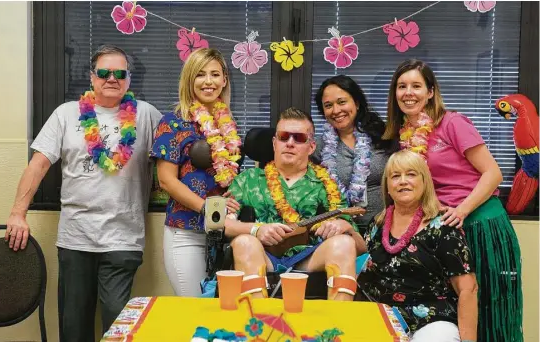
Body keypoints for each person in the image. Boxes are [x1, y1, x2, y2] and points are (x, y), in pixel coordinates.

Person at [5, 45, 162, 341]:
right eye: (104, 72)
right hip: (76, 238)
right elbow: (38, 165)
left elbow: (173, 154)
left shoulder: (146, 115)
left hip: (123, 239)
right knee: (73, 328)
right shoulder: (66, 114)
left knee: (118, 329)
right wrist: (17, 214)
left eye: (120, 73)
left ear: (129, 79)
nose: (112, 78)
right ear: (92, 78)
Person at [383, 58, 523, 342]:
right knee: (458, 309)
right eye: (402, 86)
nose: (408, 92)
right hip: (447, 230)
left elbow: (493, 173)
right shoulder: (405, 135)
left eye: (416, 86)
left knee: (489, 309)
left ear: (431, 92)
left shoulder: (452, 123)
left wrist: (461, 210)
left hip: (480, 224)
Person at [224, 107, 367, 301]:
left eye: (299, 138)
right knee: (244, 242)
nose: (290, 143)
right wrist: (256, 230)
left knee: (343, 243)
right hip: (263, 257)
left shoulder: (327, 184)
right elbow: (221, 225)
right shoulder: (247, 180)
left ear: (311, 146)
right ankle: (258, 324)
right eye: (284, 137)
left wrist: (346, 227)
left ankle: (338, 324)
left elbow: (359, 247)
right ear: (275, 143)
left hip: (308, 259)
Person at [357, 150, 478, 342]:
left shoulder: (444, 227)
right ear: (388, 186)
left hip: (433, 321)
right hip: (380, 318)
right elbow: (362, 273)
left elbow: (467, 289)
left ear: (424, 182)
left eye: (411, 174)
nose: (403, 181)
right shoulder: (376, 225)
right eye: (395, 176)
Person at [150, 48, 241, 297]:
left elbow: (229, 178)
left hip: (224, 235)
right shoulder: (173, 122)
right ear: (190, 79)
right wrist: (208, 208)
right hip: (186, 233)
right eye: (200, 75)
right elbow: (167, 181)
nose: (208, 82)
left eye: (215, 74)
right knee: (195, 308)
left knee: (223, 312)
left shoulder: (229, 126)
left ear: (224, 80)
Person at [312, 75, 392, 233]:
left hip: (386, 226)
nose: (336, 110)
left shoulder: (384, 136)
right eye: (328, 105)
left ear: (356, 102)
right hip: (341, 231)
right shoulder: (318, 148)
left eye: (342, 102)